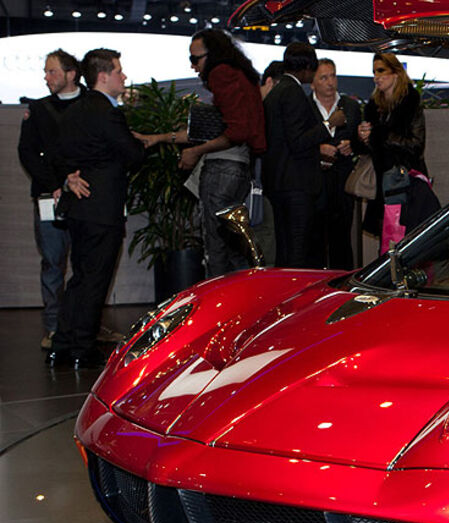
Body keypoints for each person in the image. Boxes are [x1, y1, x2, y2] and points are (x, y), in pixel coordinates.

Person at [134, 30, 266, 277]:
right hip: (236, 169)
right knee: (232, 246)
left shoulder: (221, 73)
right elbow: (216, 130)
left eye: (196, 59)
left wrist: (195, 152)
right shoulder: (238, 74)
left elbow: (235, 131)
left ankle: (219, 310)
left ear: (212, 55)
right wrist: (160, 138)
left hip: (222, 171)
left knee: (216, 248)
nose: (192, 65)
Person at [47, 49, 145, 369]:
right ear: (103, 76)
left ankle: (62, 344)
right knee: (94, 280)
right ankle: (82, 348)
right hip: (102, 208)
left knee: (79, 279)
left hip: (79, 207)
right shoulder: (107, 111)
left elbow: (57, 152)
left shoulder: (76, 109)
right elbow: (132, 154)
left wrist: (69, 174)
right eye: (119, 71)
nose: (124, 77)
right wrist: (138, 144)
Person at [18, 49, 85, 350]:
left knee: (88, 264)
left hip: (86, 197)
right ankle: (54, 327)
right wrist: (54, 184)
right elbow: (27, 153)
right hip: (49, 197)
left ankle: (84, 325)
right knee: (53, 263)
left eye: (52, 72)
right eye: (46, 72)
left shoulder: (91, 105)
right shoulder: (38, 109)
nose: (46, 78)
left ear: (71, 74)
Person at [262, 43, 337, 268]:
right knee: (297, 252)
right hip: (296, 184)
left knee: (285, 249)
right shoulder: (293, 92)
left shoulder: (276, 92)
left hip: (278, 182)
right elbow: (298, 141)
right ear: (307, 67)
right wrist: (329, 125)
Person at [358, 53, 438, 253]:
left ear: (396, 73)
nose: (377, 77)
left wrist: (380, 135)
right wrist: (363, 138)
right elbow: (372, 148)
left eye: (381, 71)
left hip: (406, 181)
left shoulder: (410, 103)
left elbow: (416, 145)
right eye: (374, 72)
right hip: (383, 182)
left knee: (406, 242)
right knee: (387, 242)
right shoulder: (374, 107)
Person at [312, 58, 363, 269]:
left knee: (342, 239)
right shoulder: (306, 106)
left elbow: (363, 142)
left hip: (343, 180)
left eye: (333, 75)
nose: (330, 82)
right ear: (313, 82)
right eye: (324, 77)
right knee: (314, 240)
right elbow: (297, 141)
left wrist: (352, 145)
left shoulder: (350, 106)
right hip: (314, 182)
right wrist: (319, 150)